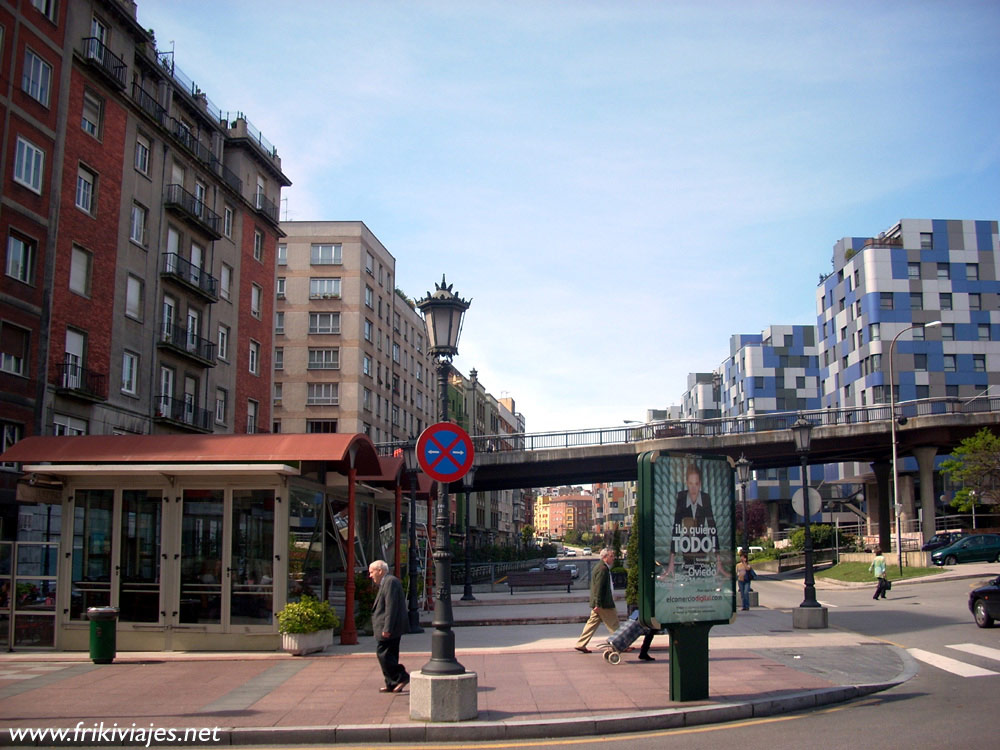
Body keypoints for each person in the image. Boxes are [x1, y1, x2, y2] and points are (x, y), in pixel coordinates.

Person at [659, 463, 726, 580]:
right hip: (687, 544)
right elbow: (676, 527)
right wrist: (671, 563)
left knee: (700, 574)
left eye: (696, 483)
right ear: (686, 483)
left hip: (701, 544)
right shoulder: (681, 497)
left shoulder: (705, 498)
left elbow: (712, 527)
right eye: (690, 483)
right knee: (688, 575)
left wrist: (718, 561)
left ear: (700, 484)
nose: (693, 487)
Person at [369, 560, 410, 693]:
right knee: (390, 654)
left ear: (380, 571)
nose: (370, 575)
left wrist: (387, 628)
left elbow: (391, 607)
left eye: (371, 572)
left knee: (384, 655)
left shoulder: (390, 582)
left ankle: (401, 676)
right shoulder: (386, 582)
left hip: (389, 628)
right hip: (389, 627)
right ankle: (391, 683)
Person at [574, 547, 618, 653]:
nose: (613, 558)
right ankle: (620, 644)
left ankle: (581, 644)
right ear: (604, 557)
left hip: (599, 603)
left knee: (592, 623)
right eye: (611, 556)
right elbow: (598, 587)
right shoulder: (602, 569)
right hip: (604, 603)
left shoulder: (601, 567)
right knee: (614, 624)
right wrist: (598, 603)